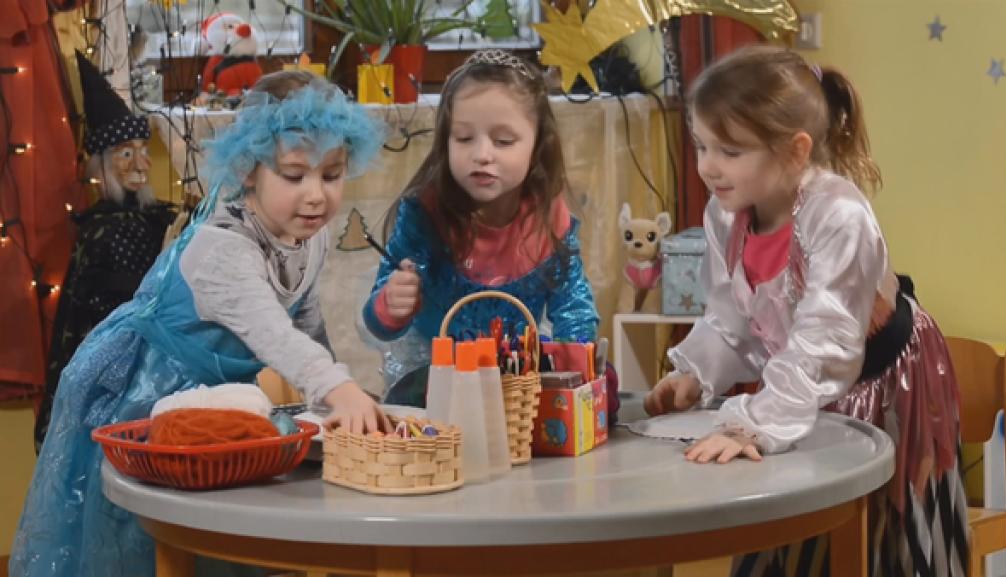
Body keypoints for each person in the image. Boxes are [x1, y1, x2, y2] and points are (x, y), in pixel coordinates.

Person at [11, 70, 387, 577]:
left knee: (228, 530)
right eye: (295, 176)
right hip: (149, 385)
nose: (317, 195)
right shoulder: (223, 250)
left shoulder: (308, 235)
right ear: (249, 169)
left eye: (332, 175)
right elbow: (274, 335)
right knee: (146, 536)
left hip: (217, 393)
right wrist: (337, 387)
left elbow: (303, 320)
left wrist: (326, 401)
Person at [645, 45, 967, 576]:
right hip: (802, 382)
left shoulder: (838, 214)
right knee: (784, 530)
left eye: (729, 151)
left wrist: (754, 426)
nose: (706, 167)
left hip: (881, 379)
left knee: (875, 539)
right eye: (701, 145)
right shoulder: (726, 214)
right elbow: (732, 318)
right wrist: (696, 374)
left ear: (795, 152)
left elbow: (826, 340)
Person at [362, 49, 599, 406]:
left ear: (538, 146)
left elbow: (574, 308)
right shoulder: (425, 214)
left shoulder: (548, 218)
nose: (482, 154)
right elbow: (377, 323)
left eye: (503, 141)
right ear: (445, 141)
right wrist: (392, 303)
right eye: (463, 138)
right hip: (436, 378)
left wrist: (575, 369)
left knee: (601, 387)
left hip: (515, 378)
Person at [34, 51, 176, 453]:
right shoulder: (101, 230)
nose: (141, 163)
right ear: (103, 164)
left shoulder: (159, 219)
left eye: (143, 149)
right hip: (120, 369)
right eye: (126, 153)